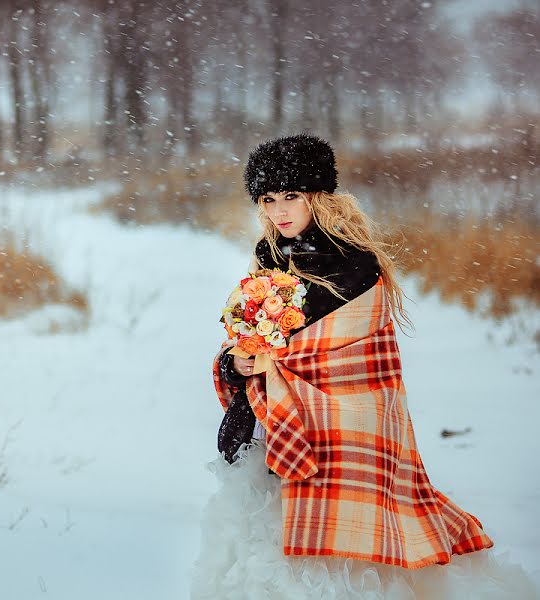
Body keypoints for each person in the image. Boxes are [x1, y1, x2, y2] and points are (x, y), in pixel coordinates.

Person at [191, 133, 540, 599]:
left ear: (317, 195)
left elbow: (354, 360)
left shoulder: (355, 266)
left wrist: (276, 353)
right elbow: (258, 340)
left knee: (339, 557)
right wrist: (239, 360)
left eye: (291, 196)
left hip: (341, 427)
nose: (279, 210)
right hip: (273, 424)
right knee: (263, 552)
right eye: (269, 199)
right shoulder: (269, 256)